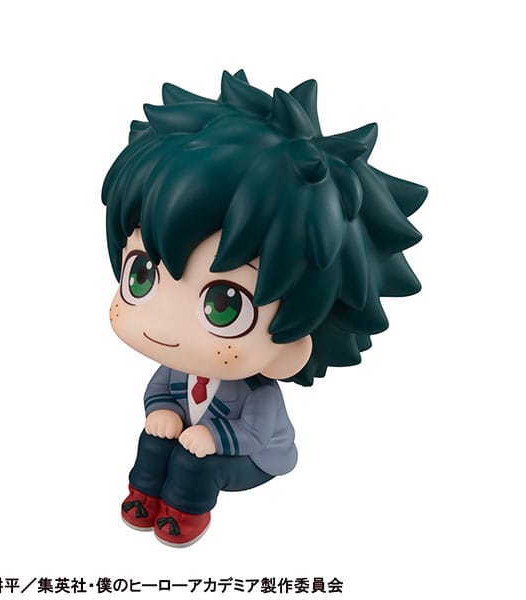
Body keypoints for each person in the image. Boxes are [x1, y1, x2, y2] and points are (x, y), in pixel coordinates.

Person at [101, 70, 427, 546]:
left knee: (195, 463)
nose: (162, 326)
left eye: (224, 305)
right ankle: (143, 494)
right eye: (142, 274)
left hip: (250, 459)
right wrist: (162, 412)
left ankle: (184, 514)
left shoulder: (256, 392)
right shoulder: (177, 370)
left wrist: (212, 439)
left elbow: (254, 435)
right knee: (154, 439)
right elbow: (159, 392)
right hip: (192, 436)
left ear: (293, 344)